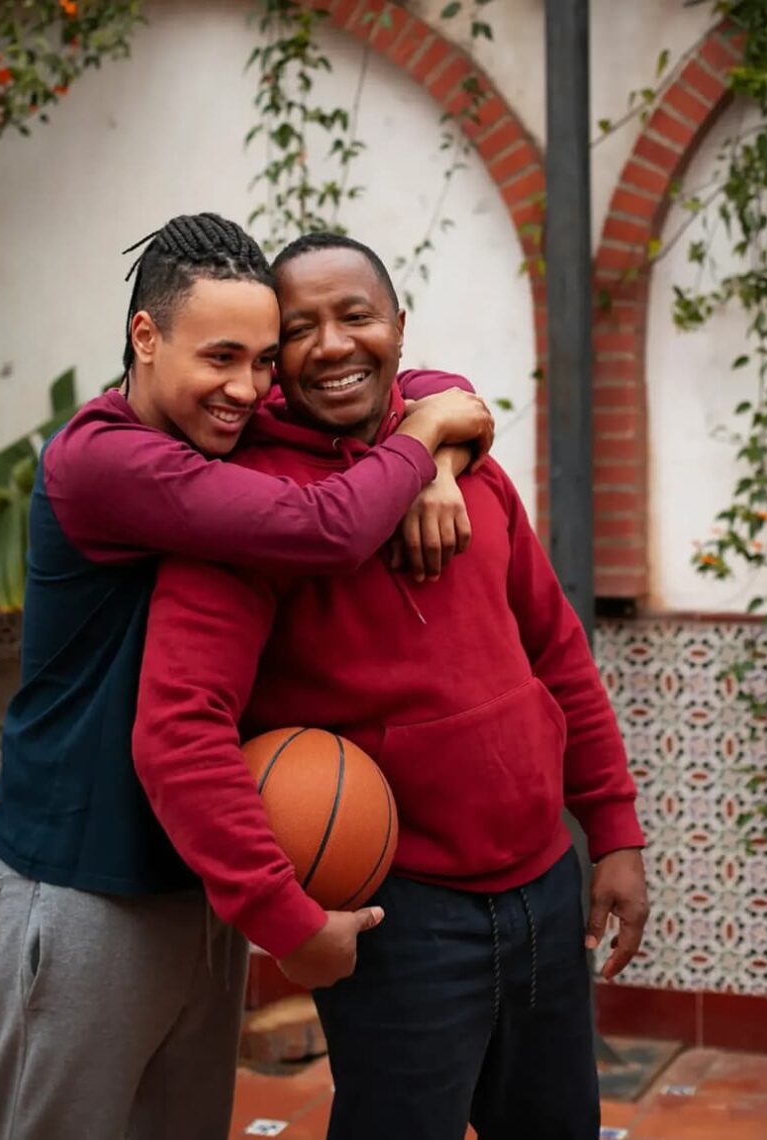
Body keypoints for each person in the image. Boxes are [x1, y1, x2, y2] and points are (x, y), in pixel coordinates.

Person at [0, 213, 497, 1139]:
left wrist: (439, 449)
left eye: (262, 361)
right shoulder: (102, 458)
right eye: (221, 358)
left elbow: (398, 388)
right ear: (145, 336)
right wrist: (427, 442)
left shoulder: (215, 428)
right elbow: (327, 528)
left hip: (196, 884)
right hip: (81, 887)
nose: (249, 390)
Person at [130, 231, 652, 1140]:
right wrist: (283, 917)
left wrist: (613, 829)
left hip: (544, 884)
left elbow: (557, 651)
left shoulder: (470, 466)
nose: (333, 344)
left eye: (356, 316)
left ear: (399, 329)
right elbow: (179, 728)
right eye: (301, 329)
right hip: (398, 912)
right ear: (275, 359)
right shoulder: (252, 510)